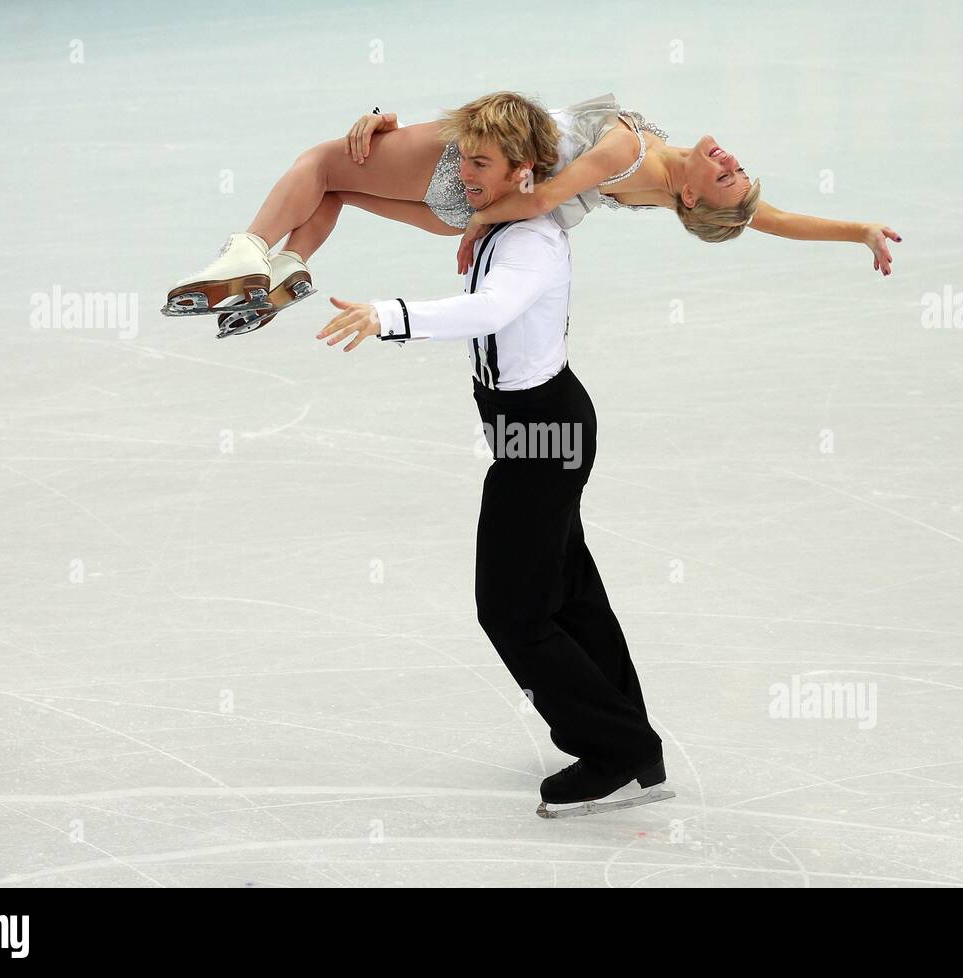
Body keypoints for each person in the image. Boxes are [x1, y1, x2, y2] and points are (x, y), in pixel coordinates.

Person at [313, 98, 671, 818]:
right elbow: (410, 183)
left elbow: (489, 311)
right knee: (565, 591)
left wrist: (388, 315)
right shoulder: (499, 221)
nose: (461, 176)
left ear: (524, 171)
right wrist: (383, 125)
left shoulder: (531, 242)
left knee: (511, 610)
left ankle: (617, 752)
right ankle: (631, 743)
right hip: (530, 426)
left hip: (544, 436)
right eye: (464, 161)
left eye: (479, 165)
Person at [161, 91, 901, 337]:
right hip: (471, 205)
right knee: (339, 192)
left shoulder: (625, 147)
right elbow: (761, 218)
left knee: (322, 163)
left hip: (475, 170)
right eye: (739, 171)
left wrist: (484, 215)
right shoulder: (667, 183)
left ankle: (249, 250)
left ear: (689, 197)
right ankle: (287, 273)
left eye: (726, 176)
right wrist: (857, 230)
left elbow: (544, 196)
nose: (733, 164)